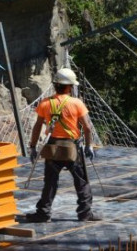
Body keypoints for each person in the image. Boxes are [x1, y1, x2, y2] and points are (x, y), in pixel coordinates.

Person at [25, 68, 101, 223]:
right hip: (72, 148)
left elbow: (37, 126)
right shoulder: (77, 103)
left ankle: (43, 213)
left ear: (55, 85)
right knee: (81, 181)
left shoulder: (45, 103)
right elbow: (87, 126)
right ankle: (85, 212)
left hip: (53, 148)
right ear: (70, 87)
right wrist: (89, 145)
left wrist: (33, 146)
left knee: (50, 182)